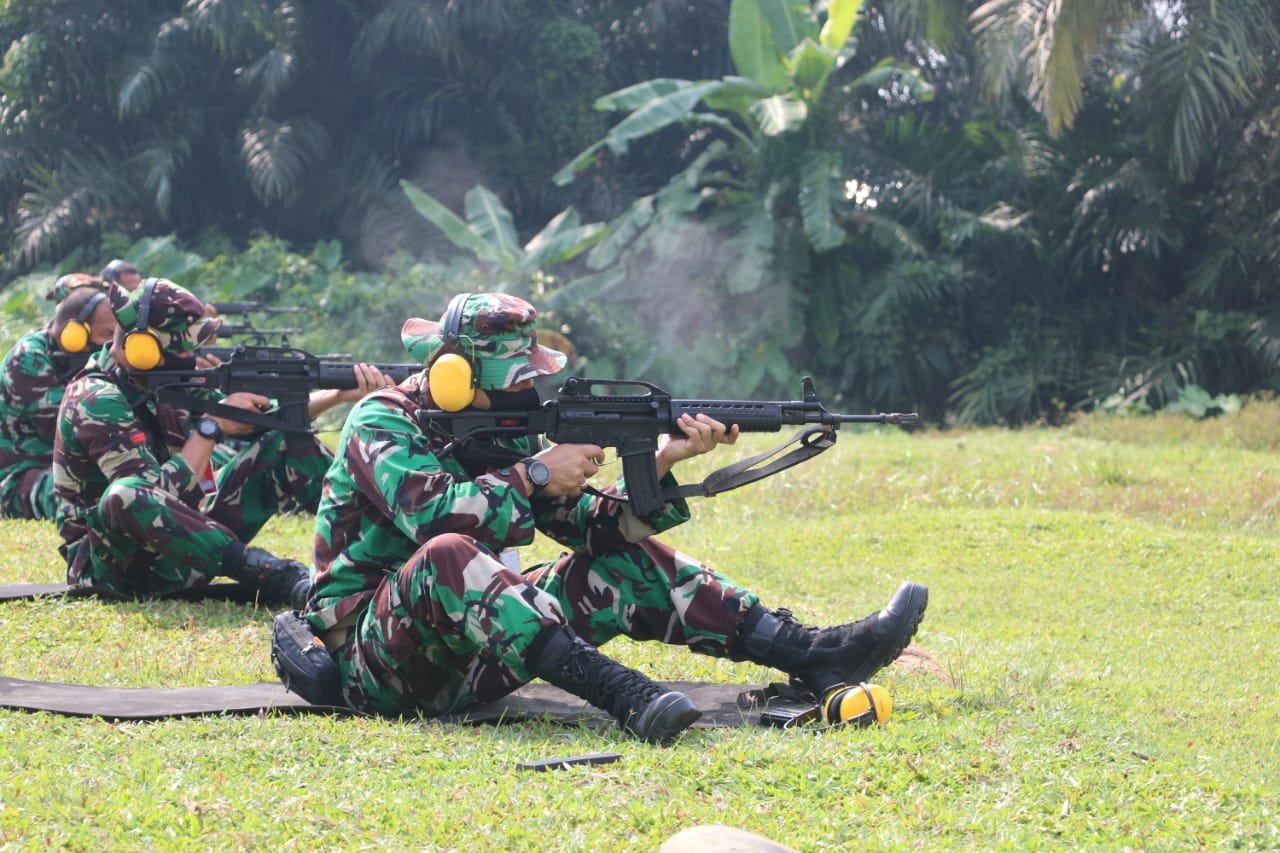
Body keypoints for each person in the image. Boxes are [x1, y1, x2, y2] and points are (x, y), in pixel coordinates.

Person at [300, 292, 928, 743]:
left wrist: (661, 461)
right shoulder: (380, 421)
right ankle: (625, 695)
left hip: (475, 653)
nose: (531, 386)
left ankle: (813, 653)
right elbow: (438, 521)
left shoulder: (506, 428)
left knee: (621, 560)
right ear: (459, 372)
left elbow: (592, 530)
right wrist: (537, 472)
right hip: (377, 664)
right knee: (448, 554)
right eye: (517, 372)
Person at [52, 278, 393, 606]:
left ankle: (383, 551)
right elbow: (148, 496)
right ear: (143, 347)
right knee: (125, 493)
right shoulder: (96, 398)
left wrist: (336, 395)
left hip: (183, 552)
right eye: (183, 344)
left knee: (286, 445)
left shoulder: (160, 380)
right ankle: (276, 576)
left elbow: (259, 417)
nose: (192, 353)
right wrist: (211, 427)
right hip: (112, 570)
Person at [0, 277, 117, 520]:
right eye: (107, 335)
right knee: (95, 493)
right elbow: (73, 429)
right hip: (18, 476)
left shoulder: (78, 358)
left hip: (65, 468)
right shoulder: (28, 360)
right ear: (73, 334)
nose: (112, 346)